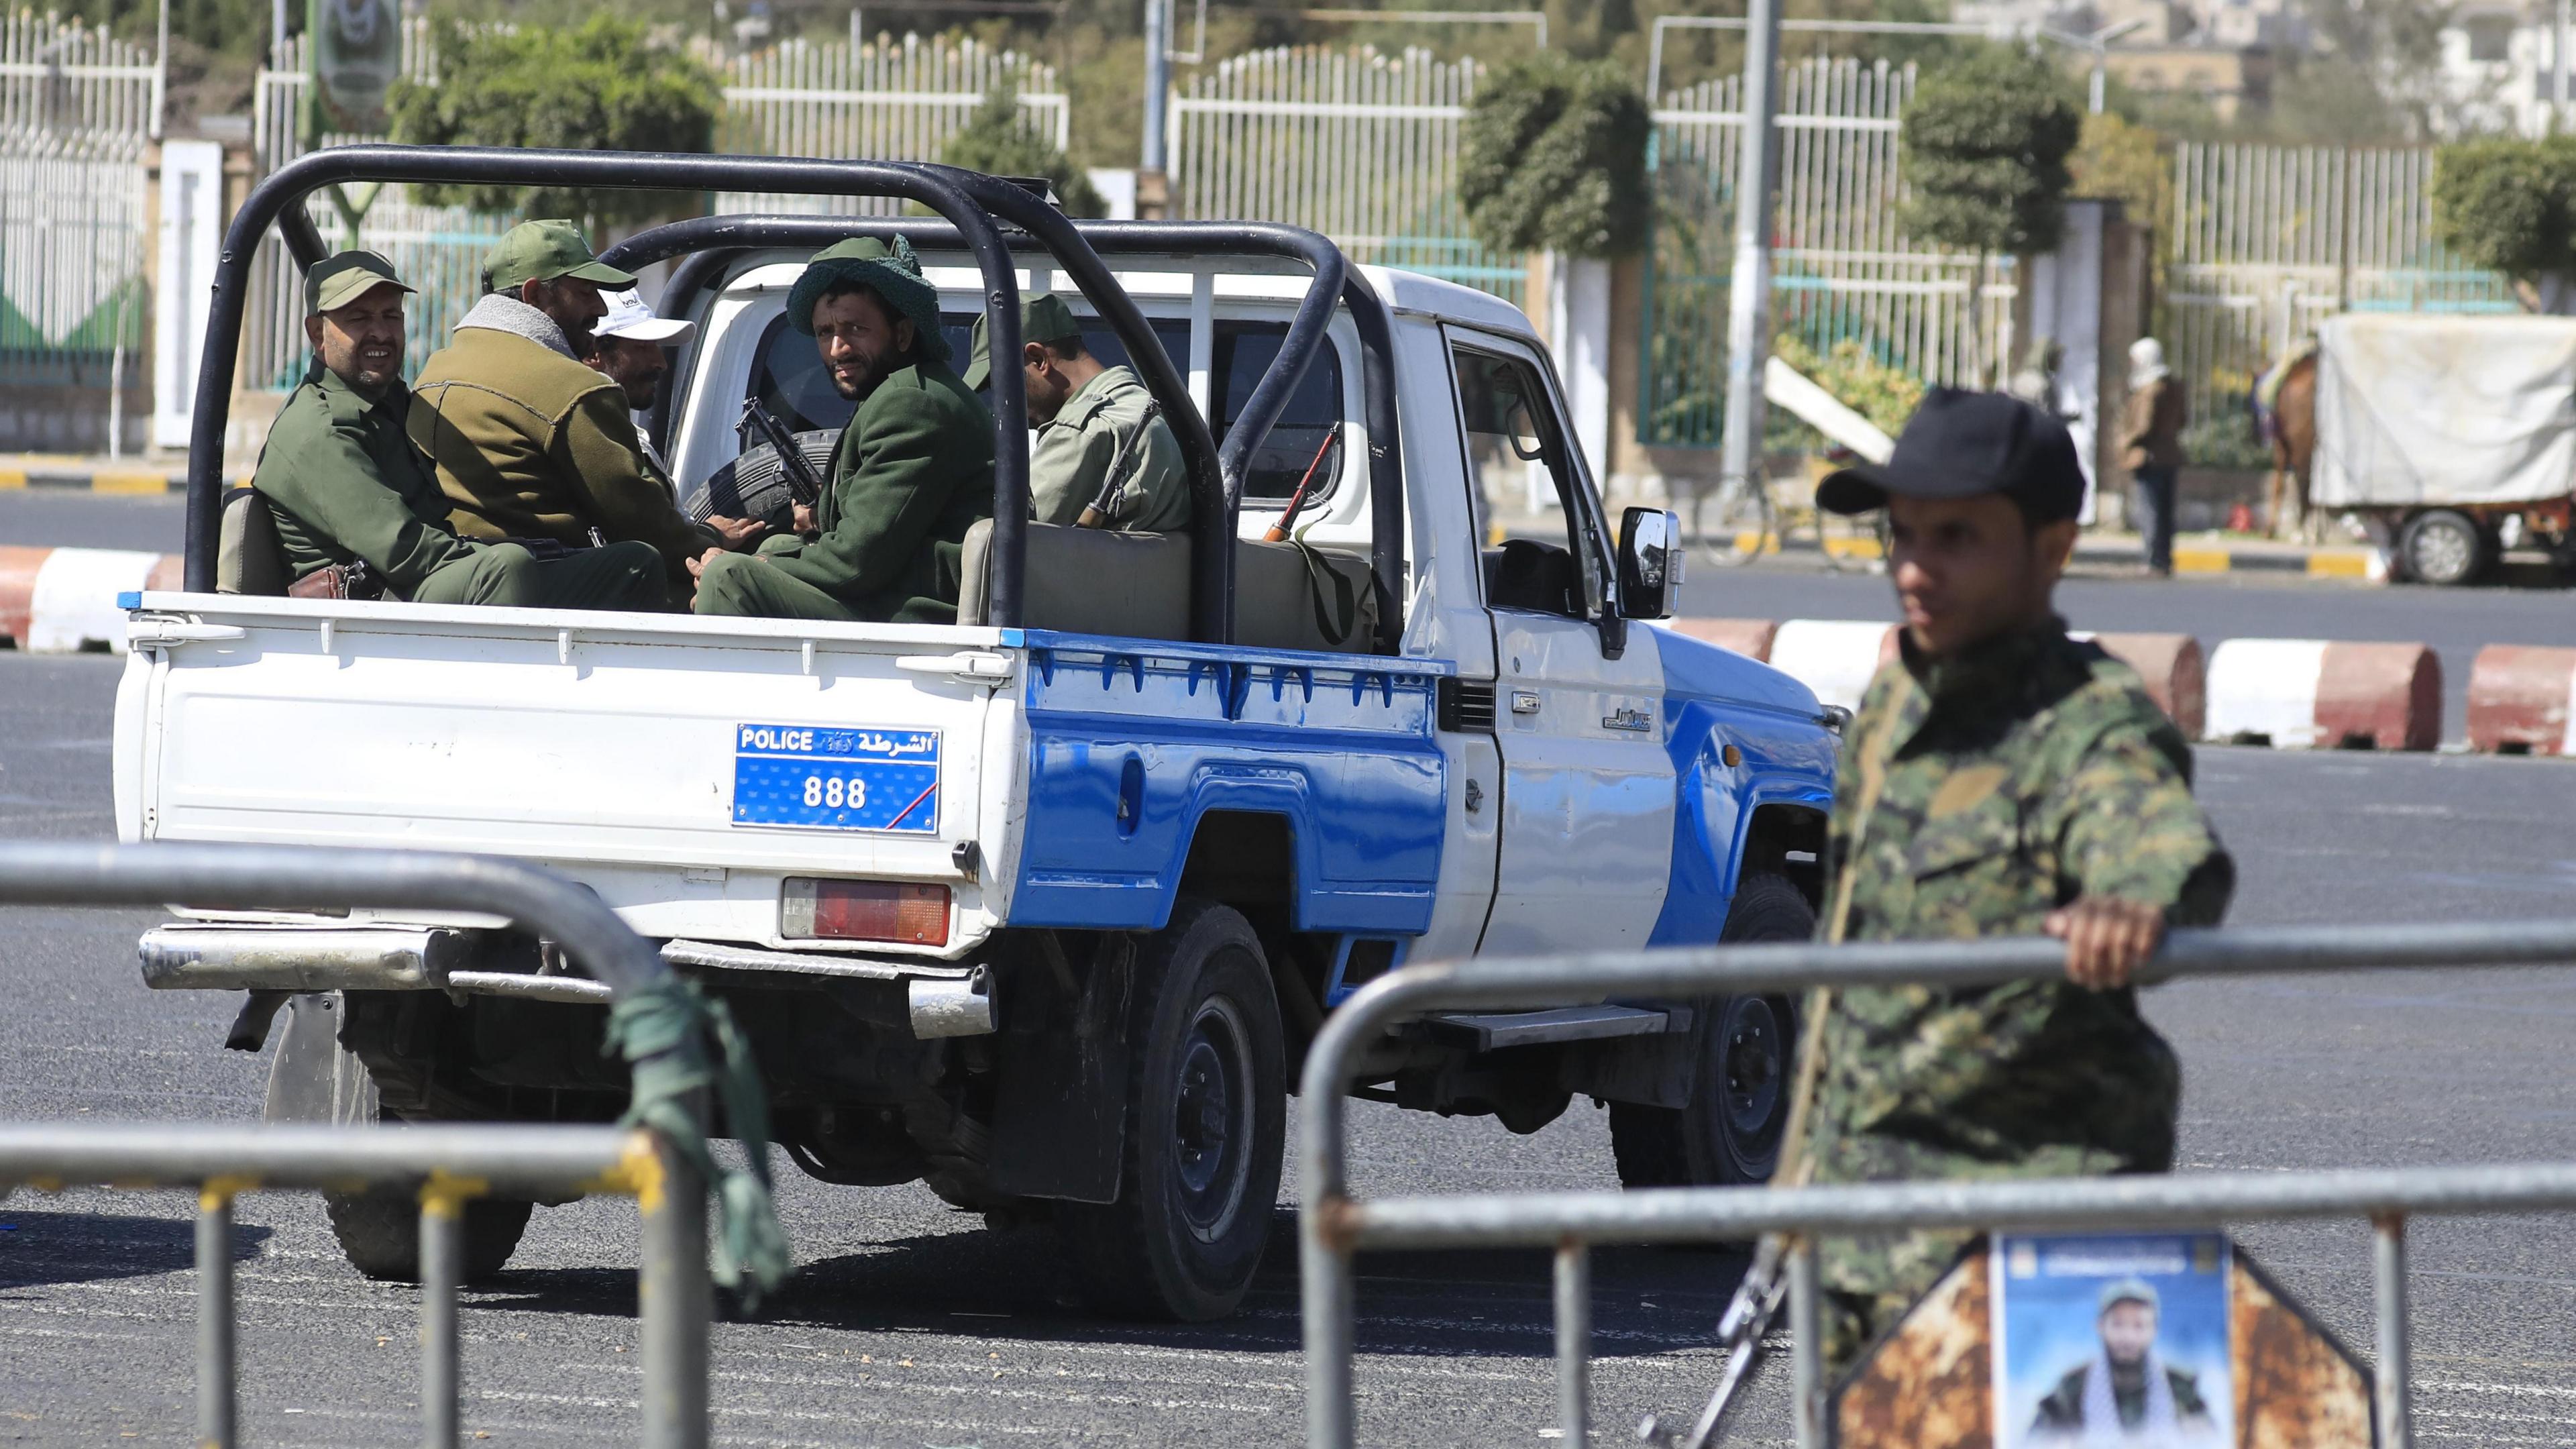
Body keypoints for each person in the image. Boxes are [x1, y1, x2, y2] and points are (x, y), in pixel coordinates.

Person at [1799, 388, 2236, 1376]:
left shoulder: (2086, 719)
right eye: (1899, 534)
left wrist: (2132, 904)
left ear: (2052, 548)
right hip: (1868, 1233)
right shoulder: (1893, 706)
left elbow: (2159, 838)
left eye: (1957, 536)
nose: (1915, 567)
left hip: (2033, 1243)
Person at [249, 250, 665, 610]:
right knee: (507, 568)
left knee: (632, 564)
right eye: (358, 319)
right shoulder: (318, 430)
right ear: (318, 333)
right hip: (370, 612)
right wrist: (504, 552)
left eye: (390, 316)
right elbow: (405, 550)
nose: (380, 333)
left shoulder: (389, 403)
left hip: (418, 587)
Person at [408, 220, 761, 597]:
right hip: (529, 590)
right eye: (585, 292)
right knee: (639, 563)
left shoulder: (435, 368)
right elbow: (638, 519)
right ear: (534, 296)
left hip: (444, 584)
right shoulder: (573, 387)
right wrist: (712, 548)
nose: (598, 307)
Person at [692, 236, 994, 623]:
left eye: (855, 328)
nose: (838, 348)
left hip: (919, 612)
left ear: (902, 333)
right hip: (897, 591)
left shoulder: (911, 402)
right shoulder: (905, 391)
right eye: (825, 332)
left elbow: (856, 563)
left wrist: (750, 562)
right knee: (777, 541)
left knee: (727, 579)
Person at [963, 294, 1188, 531]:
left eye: (1001, 384)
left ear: (1039, 359)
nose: (1001, 404)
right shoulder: (1150, 410)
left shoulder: (1086, 430)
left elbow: (1010, 538)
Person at [2029, 1279, 2219, 1442]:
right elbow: (2036, 1441)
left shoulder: (2180, 1387)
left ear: (2154, 1330)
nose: (2128, 1337)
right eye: (2118, 1324)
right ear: (2100, 1326)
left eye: (2139, 1326)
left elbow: (2211, 1441)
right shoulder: (2073, 1388)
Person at [581, 288, 696, 489]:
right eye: (642, 347)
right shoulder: (591, 443)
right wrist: (706, 523)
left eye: (655, 346)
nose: (661, 363)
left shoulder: (618, 435)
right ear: (593, 354)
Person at [2123, 337, 2189, 578]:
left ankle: (2153, 560)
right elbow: (2183, 420)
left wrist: (2124, 442)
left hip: (2149, 458)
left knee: (2150, 510)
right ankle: (2164, 559)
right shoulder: (2174, 387)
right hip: (2170, 457)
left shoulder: (2150, 390)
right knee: (2165, 511)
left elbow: (2143, 426)